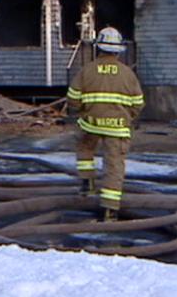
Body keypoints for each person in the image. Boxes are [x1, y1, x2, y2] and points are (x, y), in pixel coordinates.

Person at [66, 26, 144, 222]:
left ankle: (87, 184)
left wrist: (83, 111)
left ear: (98, 48)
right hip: (118, 127)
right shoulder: (128, 74)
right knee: (114, 165)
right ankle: (110, 209)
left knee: (85, 147)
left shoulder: (87, 70)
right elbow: (138, 104)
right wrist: (127, 118)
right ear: (118, 50)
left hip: (90, 123)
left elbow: (73, 99)